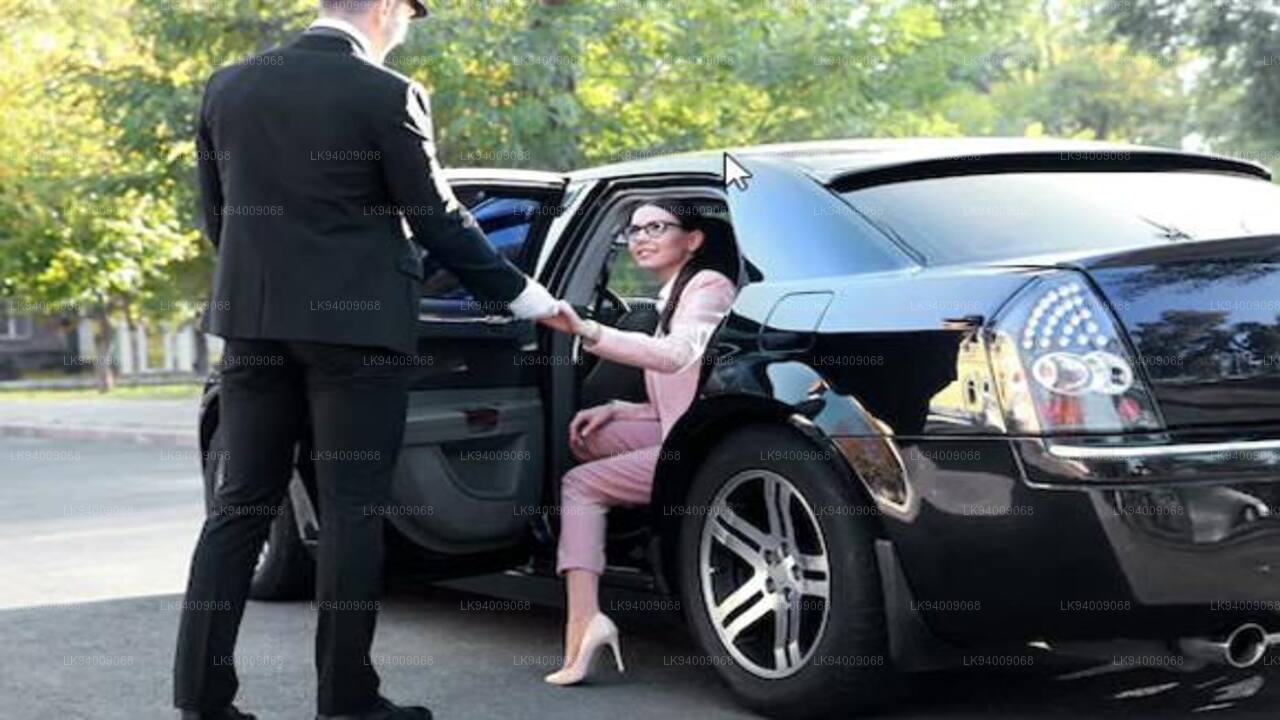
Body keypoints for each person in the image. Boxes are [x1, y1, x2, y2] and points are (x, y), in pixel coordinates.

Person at [173, 2, 562, 719]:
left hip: (254, 327)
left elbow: (218, 218)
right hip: (358, 334)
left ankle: (202, 698)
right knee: (353, 511)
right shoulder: (389, 94)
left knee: (239, 508)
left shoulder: (229, 86)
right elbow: (438, 217)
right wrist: (530, 299)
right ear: (385, 7)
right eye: (408, 13)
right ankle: (346, 700)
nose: (406, 27)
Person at [539, 198, 739, 685]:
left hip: (695, 450)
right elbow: (681, 395)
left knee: (580, 484)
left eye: (656, 227)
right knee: (587, 437)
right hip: (677, 429)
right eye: (634, 230)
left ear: (693, 240)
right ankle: (640, 540)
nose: (641, 238)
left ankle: (584, 620)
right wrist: (619, 408)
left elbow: (676, 356)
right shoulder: (673, 295)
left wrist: (587, 328)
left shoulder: (710, 287)